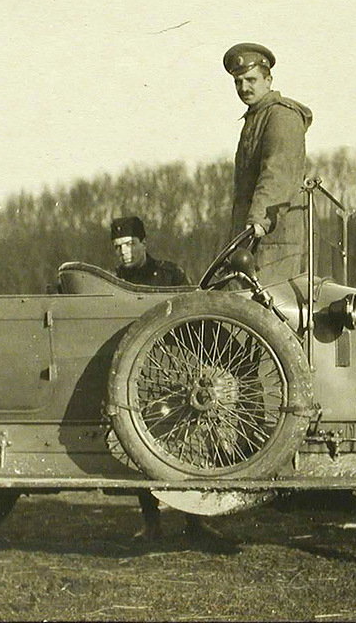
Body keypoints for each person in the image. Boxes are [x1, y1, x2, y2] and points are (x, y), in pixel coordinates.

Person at [109, 215, 223, 542]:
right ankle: (151, 522)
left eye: (130, 244)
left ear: (144, 243)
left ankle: (196, 521)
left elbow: (195, 316)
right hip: (141, 377)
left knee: (192, 447)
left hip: (178, 371)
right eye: (118, 247)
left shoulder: (170, 275)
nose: (124, 252)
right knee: (142, 448)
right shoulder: (113, 283)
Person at [224, 42, 313, 284]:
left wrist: (257, 224)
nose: (244, 88)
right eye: (238, 82)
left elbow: (277, 172)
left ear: (268, 80)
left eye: (251, 80)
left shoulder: (281, 116)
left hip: (273, 238)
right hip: (254, 237)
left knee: (270, 308)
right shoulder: (256, 117)